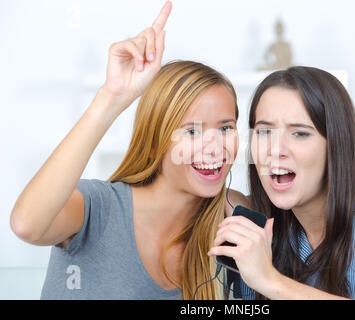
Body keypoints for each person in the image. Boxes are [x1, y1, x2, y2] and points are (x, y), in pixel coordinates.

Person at [10, 1, 240, 299]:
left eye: (225, 128)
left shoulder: (228, 225)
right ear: (156, 139)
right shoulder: (96, 207)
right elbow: (27, 225)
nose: (214, 146)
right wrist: (110, 98)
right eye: (192, 131)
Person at [212, 66, 355, 300]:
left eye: (300, 133)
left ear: (336, 145)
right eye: (264, 132)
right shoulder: (264, 223)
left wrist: (271, 281)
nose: (275, 150)